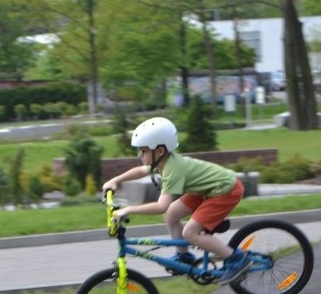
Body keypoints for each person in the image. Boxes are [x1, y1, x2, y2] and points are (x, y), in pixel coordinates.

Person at [101, 116, 251, 284]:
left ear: (159, 151)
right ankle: (184, 256)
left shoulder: (172, 170)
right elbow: (141, 171)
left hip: (225, 190)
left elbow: (161, 206)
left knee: (190, 233)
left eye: (143, 150)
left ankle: (237, 259)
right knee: (172, 214)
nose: (139, 154)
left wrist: (128, 209)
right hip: (206, 190)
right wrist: (116, 180)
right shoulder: (163, 162)